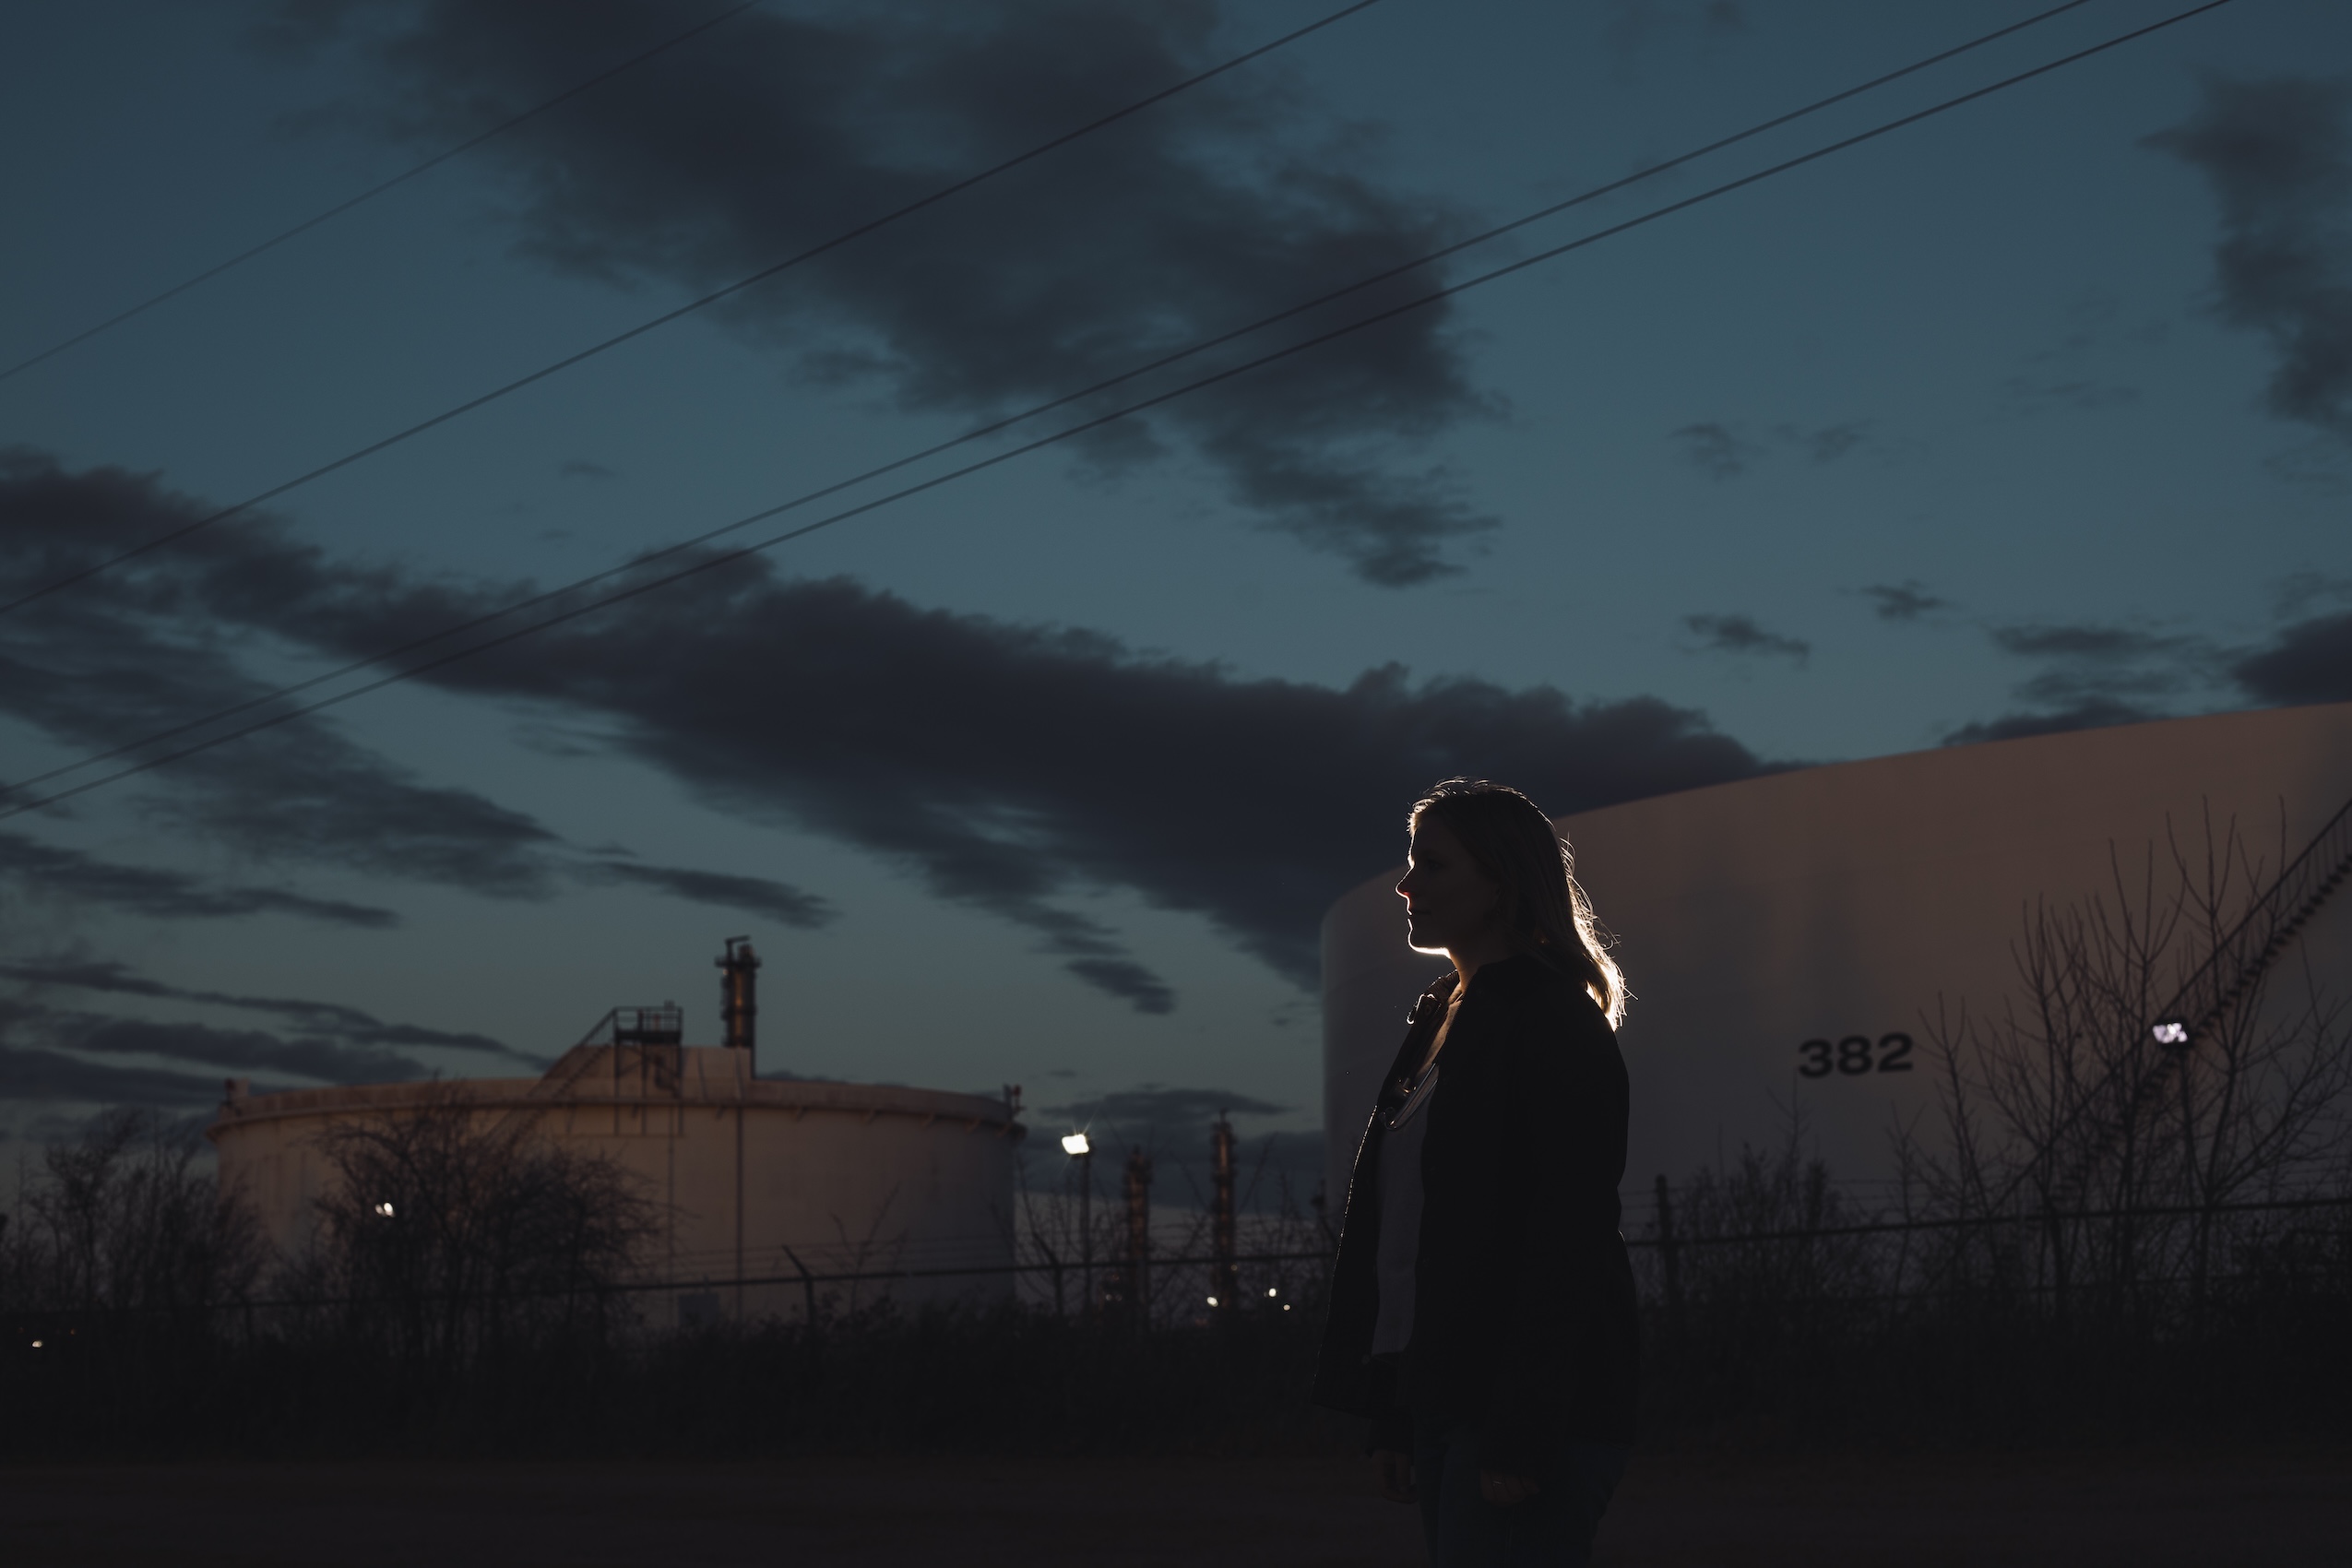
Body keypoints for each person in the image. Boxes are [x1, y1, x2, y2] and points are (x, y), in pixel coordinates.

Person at [1313, 778, 1639, 1567]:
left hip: (1526, 1413)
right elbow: (1413, 1237)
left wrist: (1522, 1431)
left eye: (1434, 864)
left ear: (1501, 880)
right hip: (1448, 1400)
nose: (1405, 884)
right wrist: (1396, 1411)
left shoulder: (1549, 1016)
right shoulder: (1444, 1017)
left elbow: (1565, 1236)